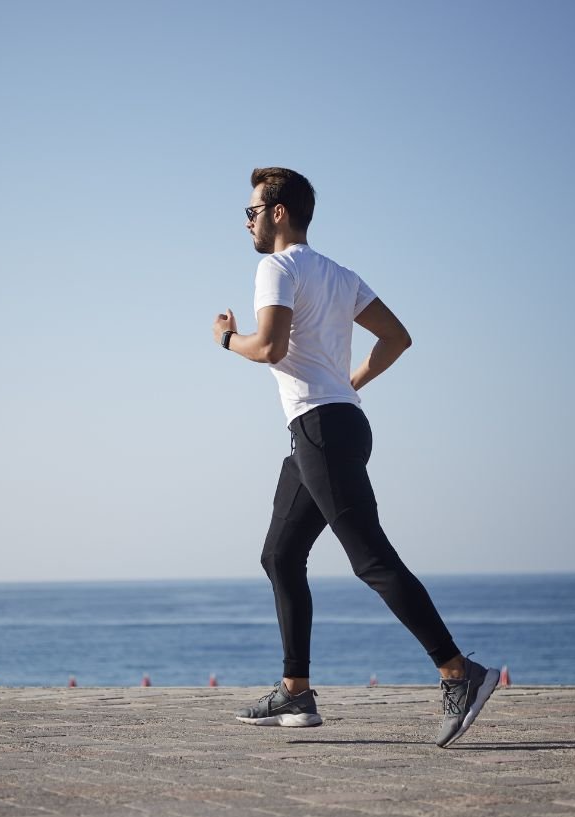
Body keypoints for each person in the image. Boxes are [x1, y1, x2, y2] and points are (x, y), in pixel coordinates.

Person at [212, 167, 498, 747]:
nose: (246, 222)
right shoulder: (340, 275)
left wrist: (226, 339)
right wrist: (348, 381)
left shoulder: (275, 267)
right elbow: (397, 337)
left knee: (370, 558)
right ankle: (296, 693)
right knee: (280, 554)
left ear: (278, 213)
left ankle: (458, 672)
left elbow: (269, 347)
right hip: (331, 425)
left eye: (250, 212)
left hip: (321, 428)